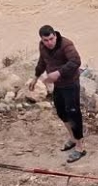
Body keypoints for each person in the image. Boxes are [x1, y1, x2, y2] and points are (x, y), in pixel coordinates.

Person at [28, 25, 85, 163]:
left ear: (55, 35)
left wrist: (58, 73)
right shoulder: (43, 46)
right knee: (61, 112)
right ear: (42, 39)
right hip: (58, 85)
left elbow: (76, 61)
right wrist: (36, 77)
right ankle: (72, 138)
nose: (49, 43)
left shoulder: (66, 45)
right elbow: (42, 61)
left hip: (70, 83)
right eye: (46, 40)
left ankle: (80, 147)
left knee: (73, 114)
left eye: (51, 39)